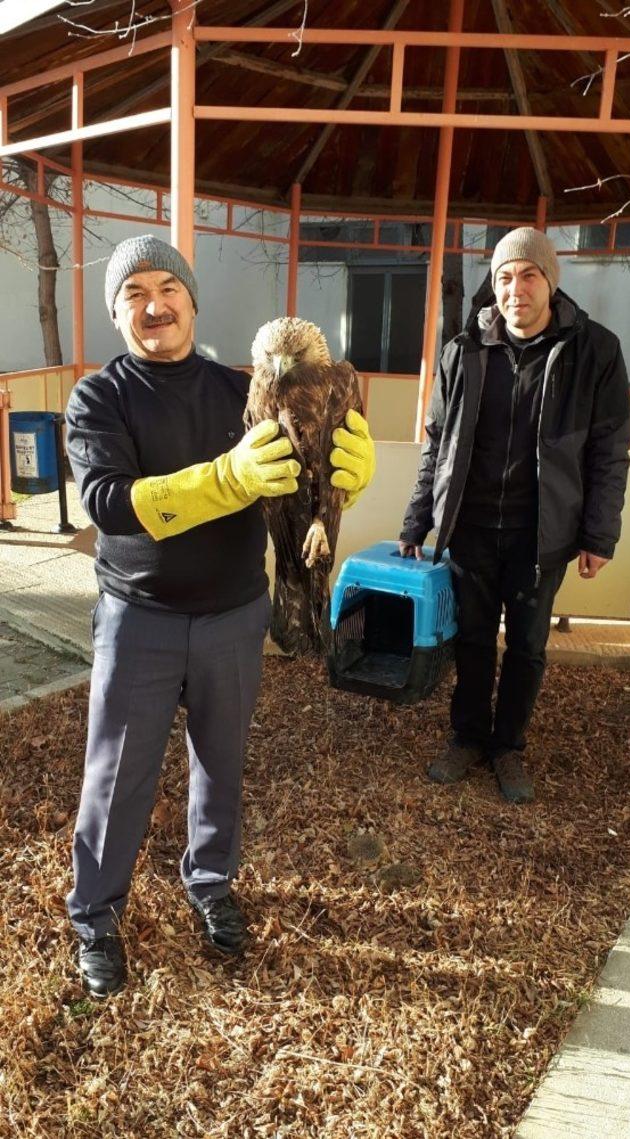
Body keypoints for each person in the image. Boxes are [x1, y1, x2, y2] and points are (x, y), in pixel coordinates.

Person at [65, 234, 375, 996]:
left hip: (235, 615)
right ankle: (96, 916)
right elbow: (106, 502)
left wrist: (342, 483)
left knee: (221, 767)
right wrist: (224, 477)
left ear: (192, 302)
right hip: (139, 617)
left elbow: (300, 478)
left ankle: (210, 884)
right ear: (116, 314)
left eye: (165, 287)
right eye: (131, 294)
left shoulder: (249, 384)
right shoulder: (98, 398)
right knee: (116, 778)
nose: (152, 304)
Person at [399, 226, 630, 805]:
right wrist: (416, 521)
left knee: (527, 645)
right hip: (471, 528)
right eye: (504, 276)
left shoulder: (594, 351)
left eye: (528, 274)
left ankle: (509, 746)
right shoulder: (464, 350)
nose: (515, 288)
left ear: (550, 282)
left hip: (542, 535)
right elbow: (437, 444)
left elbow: (609, 450)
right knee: (473, 638)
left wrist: (599, 535)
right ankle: (469, 736)